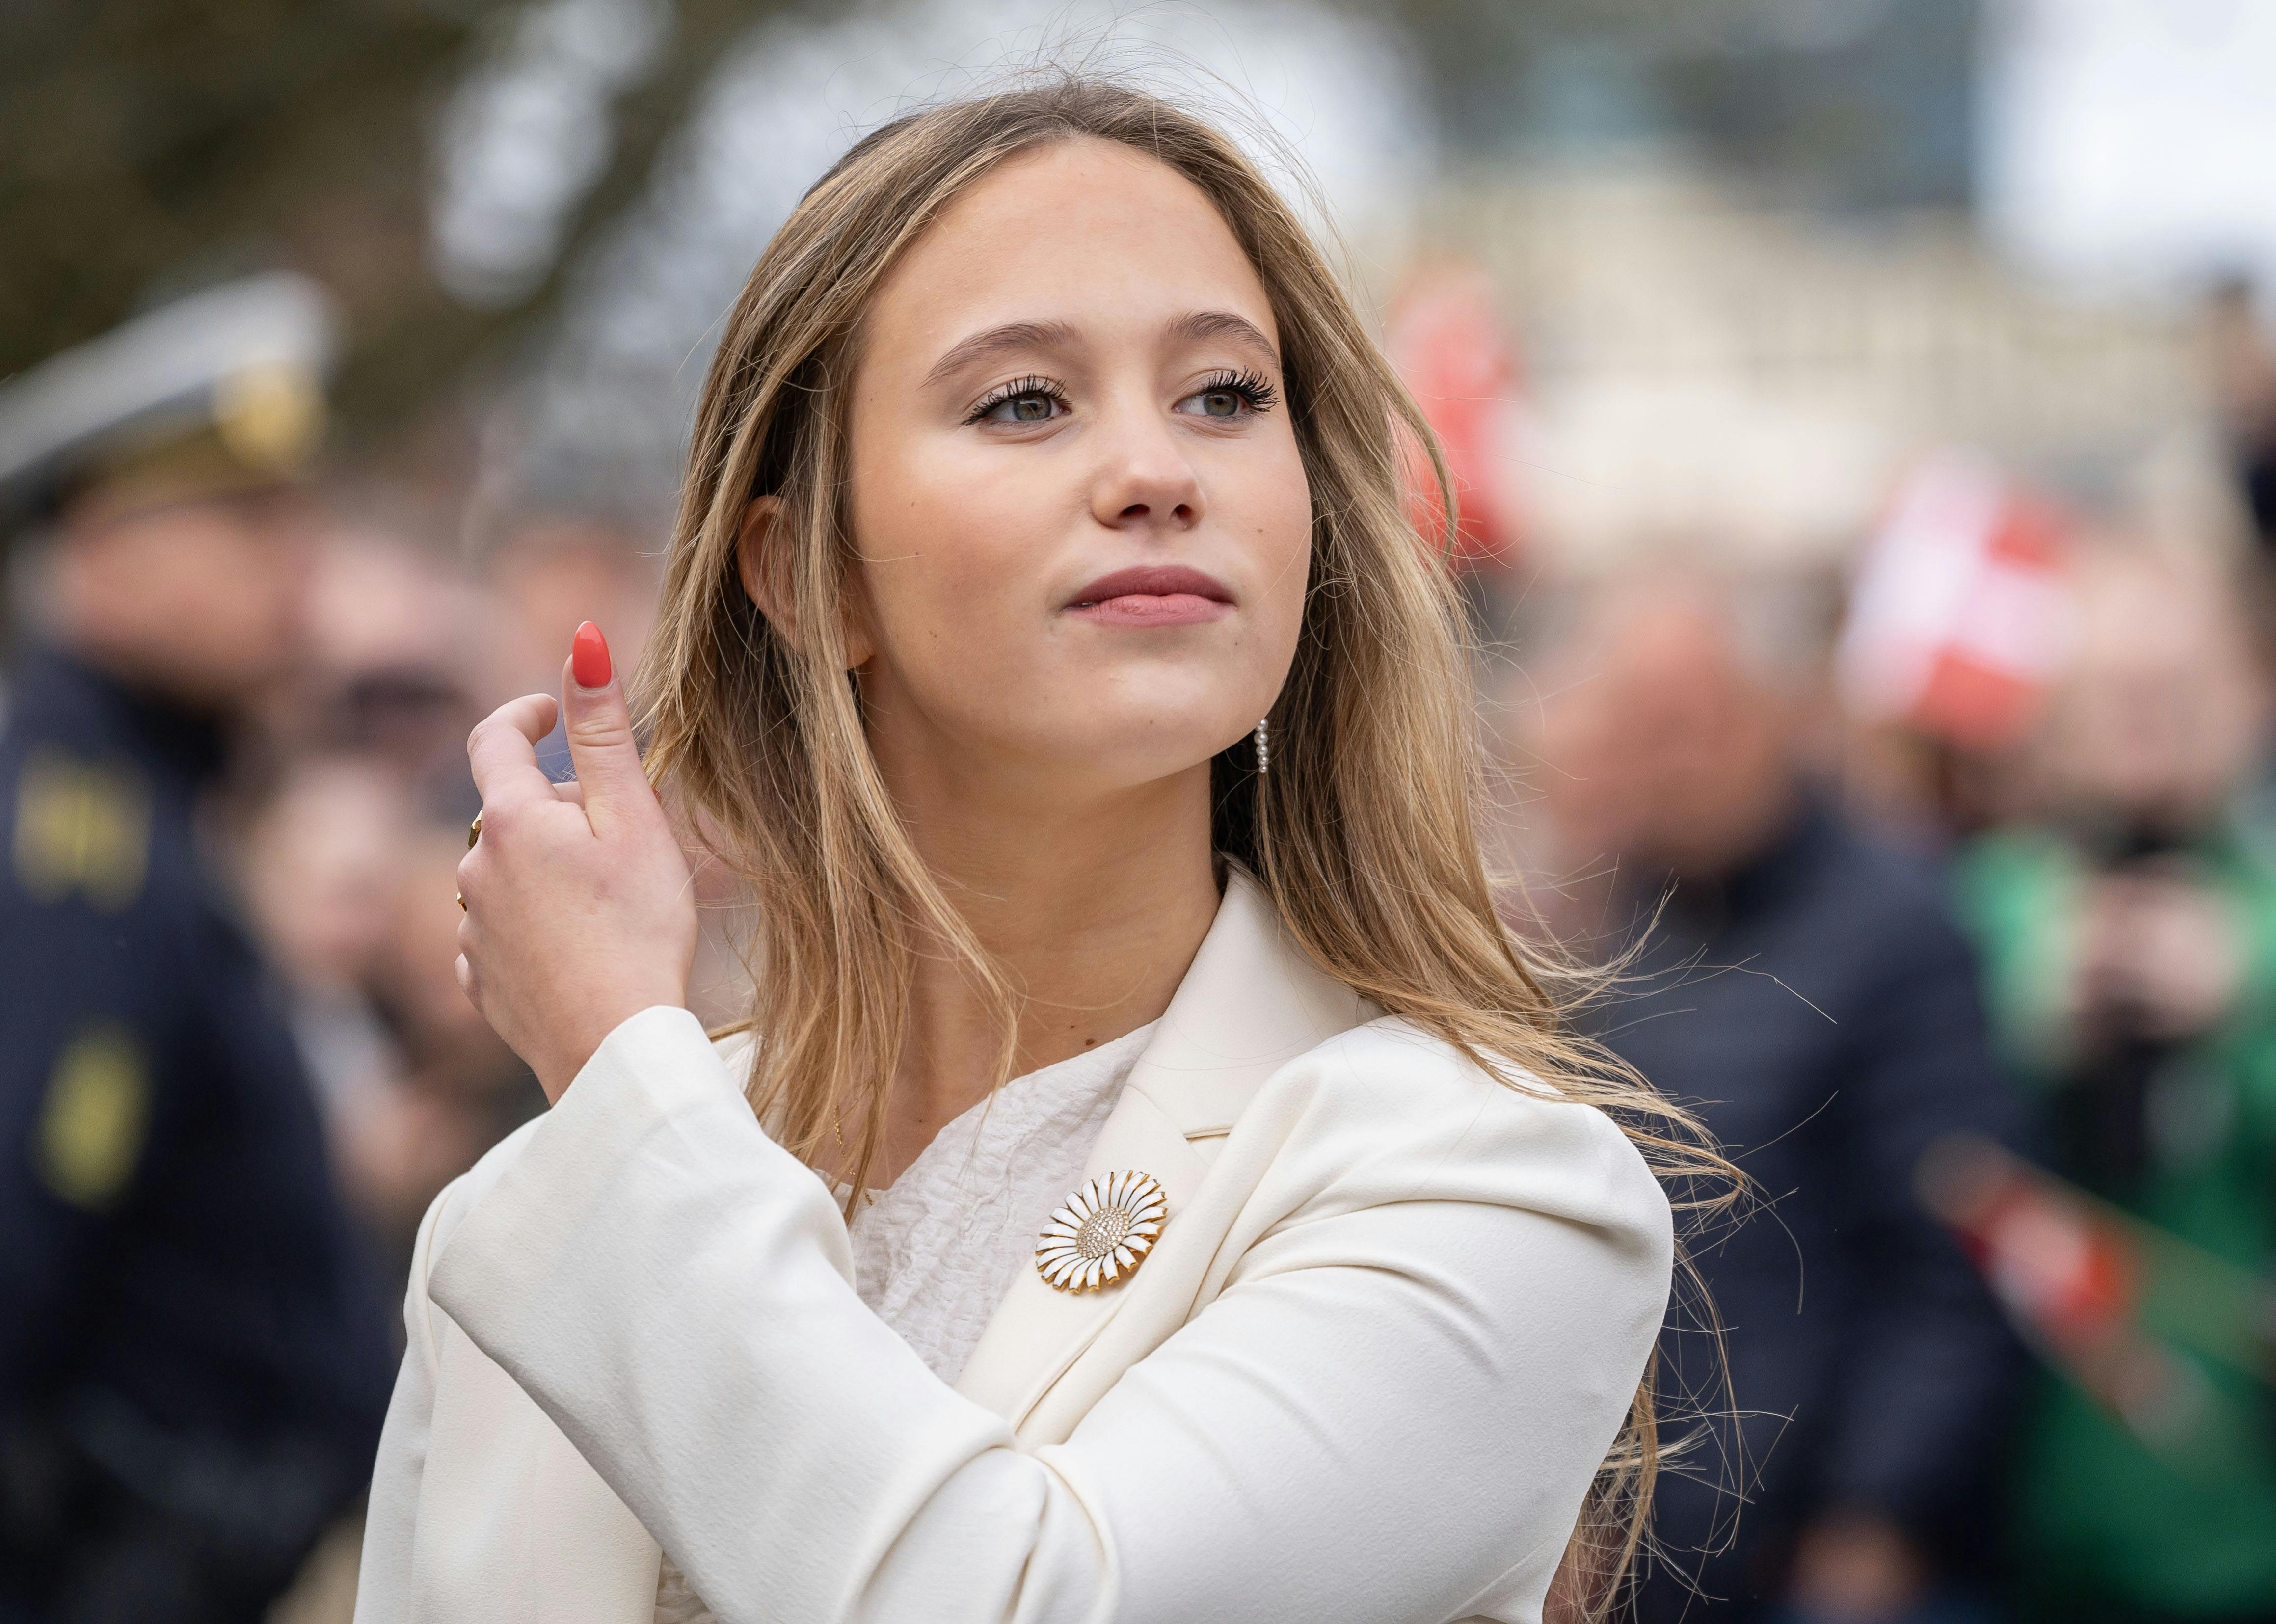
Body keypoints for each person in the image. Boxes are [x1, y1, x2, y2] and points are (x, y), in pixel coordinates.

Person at [354, 80, 1733, 1624]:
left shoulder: (1488, 1186)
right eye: (1023, 400)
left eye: (1222, 393)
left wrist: (616, 1057)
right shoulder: (520, 1215)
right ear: (803, 572)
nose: (1156, 469)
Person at [0, 274, 397, 1621]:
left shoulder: (157, 817)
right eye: (240, 516)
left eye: (298, 512)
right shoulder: (77, 853)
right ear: (98, 545)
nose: (297, 558)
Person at [1523, 576, 2021, 1624]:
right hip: (1670, 1549)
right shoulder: (1624, 929)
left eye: (1701, 722)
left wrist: (1877, 1513)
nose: (1677, 759)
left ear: (1784, 714)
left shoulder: (1898, 925)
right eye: (1645, 730)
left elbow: (1954, 1253)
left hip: (1831, 1551)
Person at [1952, 542, 2276, 1624]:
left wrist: (2255, 1013)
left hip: (2238, 1513)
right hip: (2030, 1505)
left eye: (2175, 689)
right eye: (2112, 694)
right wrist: (2019, 1019)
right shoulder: (1982, 908)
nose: (2145, 725)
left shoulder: (2262, 915)